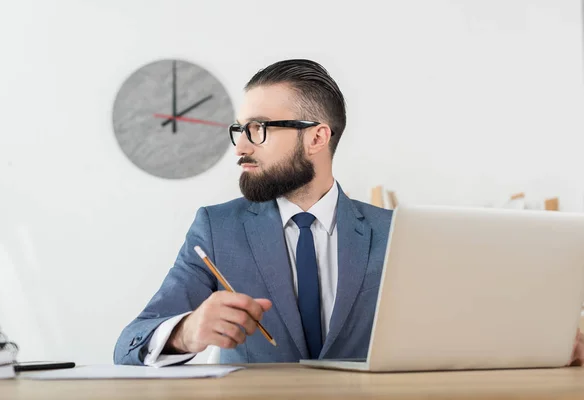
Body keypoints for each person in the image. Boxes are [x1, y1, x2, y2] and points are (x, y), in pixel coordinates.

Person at [113, 59, 583, 367]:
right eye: (239, 129)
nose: (240, 145)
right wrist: (185, 332)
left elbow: (465, 334)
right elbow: (129, 343)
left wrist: (558, 343)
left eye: (258, 129)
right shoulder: (216, 228)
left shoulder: (399, 233)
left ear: (317, 137)